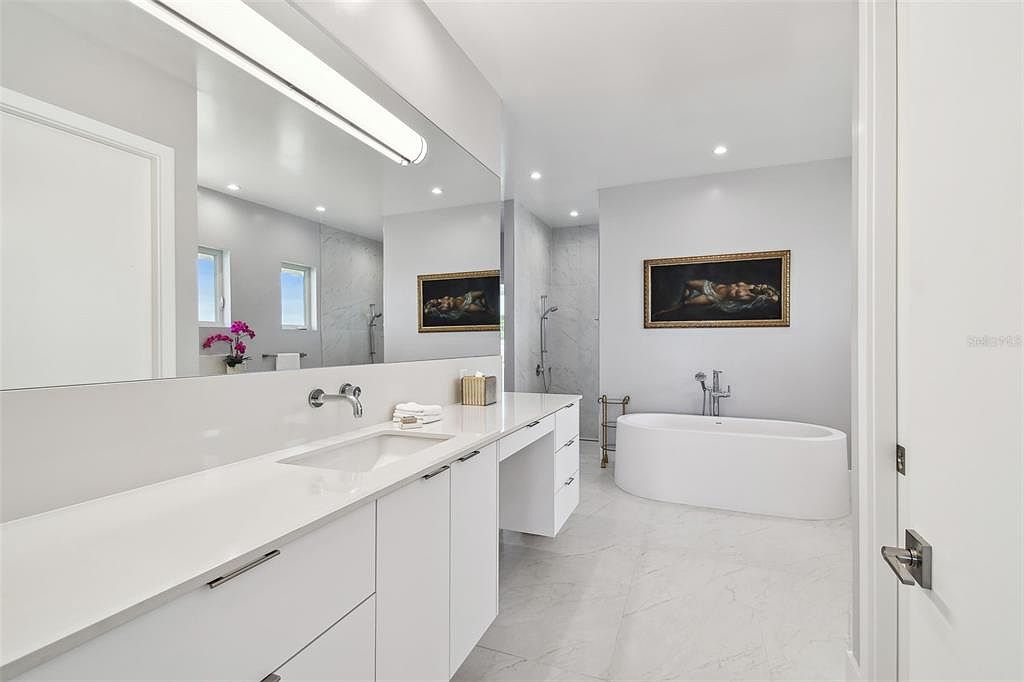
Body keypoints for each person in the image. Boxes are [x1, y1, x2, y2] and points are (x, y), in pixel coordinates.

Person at [656, 279, 779, 316]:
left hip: (714, 296)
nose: (760, 286)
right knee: (688, 283)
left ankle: (668, 311)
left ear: (762, 294)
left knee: (687, 303)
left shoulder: (750, 298)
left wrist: (770, 296)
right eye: (763, 285)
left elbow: (773, 299)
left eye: (763, 289)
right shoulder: (751, 285)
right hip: (713, 286)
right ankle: (680, 301)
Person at [424, 290, 494, 320]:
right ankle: (490, 311)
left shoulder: (440, 300)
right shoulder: (441, 309)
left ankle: (484, 303)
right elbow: (451, 305)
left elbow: (451, 299)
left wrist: (450, 300)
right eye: (433, 302)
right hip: (464, 306)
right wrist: (450, 302)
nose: (434, 300)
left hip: (464, 298)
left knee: (482, 293)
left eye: (433, 300)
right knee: (482, 309)